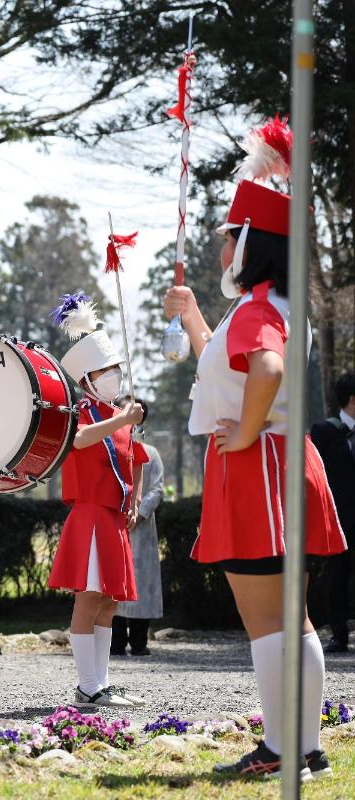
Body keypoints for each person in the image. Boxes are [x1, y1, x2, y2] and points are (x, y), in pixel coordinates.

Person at [162, 117, 346, 780]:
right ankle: (304, 748)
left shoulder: (262, 309)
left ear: (249, 244)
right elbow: (241, 364)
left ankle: (282, 750)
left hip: (257, 463)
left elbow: (263, 370)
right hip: (273, 460)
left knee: (270, 622)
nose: (219, 251)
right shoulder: (270, 304)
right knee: (289, 620)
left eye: (227, 239)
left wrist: (242, 432)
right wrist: (191, 320)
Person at [47, 292, 147, 709]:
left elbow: (137, 458)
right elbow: (79, 440)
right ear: (87, 379)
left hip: (114, 518)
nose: (114, 377)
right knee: (89, 598)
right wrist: (121, 418)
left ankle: (100, 682)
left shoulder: (117, 415)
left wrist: (136, 499)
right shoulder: (82, 412)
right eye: (106, 371)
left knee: (109, 599)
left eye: (116, 370)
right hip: (88, 515)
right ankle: (87, 684)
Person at [112, 401, 164, 657]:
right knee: (115, 582)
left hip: (142, 530)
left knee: (142, 585)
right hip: (115, 523)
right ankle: (115, 641)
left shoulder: (151, 453)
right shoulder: (111, 446)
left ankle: (140, 642)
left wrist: (140, 513)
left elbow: (157, 488)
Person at [312, 372, 355, 654]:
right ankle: (339, 635)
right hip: (339, 520)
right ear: (351, 400)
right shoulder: (324, 431)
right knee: (337, 577)